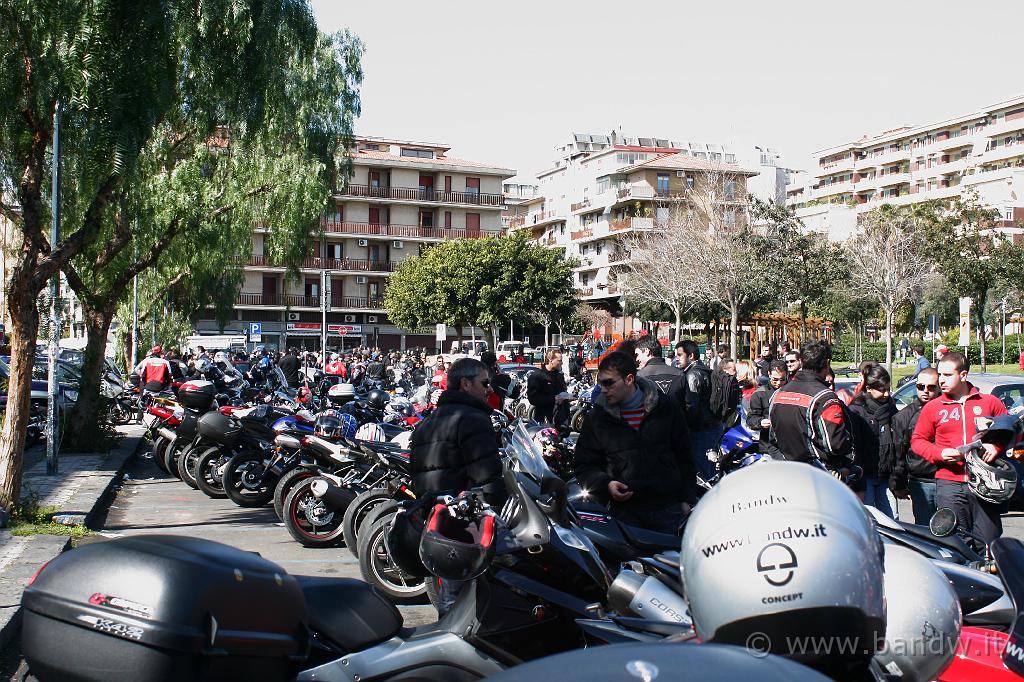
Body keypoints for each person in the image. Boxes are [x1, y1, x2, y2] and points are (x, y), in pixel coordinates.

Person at [410, 357, 506, 615]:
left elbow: (417, 477)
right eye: (485, 383)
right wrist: (500, 511)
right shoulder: (473, 418)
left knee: (451, 598)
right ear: (465, 384)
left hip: (438, 524)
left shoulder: (427, 422)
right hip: (468, 524)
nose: (490, 389)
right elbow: (487, 476)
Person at [572, 352, 696, 534]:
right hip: (623, 513)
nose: (603, 389)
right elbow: (584, 465)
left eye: (609, 383)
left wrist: (686, 498)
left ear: (629, 379)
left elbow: (684, 454)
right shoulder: (597, 417)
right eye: (601, 383)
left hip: (666, 509)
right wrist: (606, 484)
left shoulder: (666, 407)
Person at [911, 351, 1008, 547]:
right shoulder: (934, 407)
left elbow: (1013, 430)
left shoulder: (989, 403)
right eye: (940, 375)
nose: (941, 381)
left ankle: (986, 577)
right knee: (954, 543)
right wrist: (939, 454)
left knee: (988, 543)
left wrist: (996, 446)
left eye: (947, 375)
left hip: (984, 483)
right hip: (949, 484)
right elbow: (918, 440)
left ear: (963, 375)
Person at [767, 340, 854, 472]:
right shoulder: (825, 398)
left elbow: (773, 438)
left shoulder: (778, 394)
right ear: (827, 363)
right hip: (818, 475)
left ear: (801, 361)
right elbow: (834, 445)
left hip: (785, 469)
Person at [847, 363, 898, 518]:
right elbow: (855, 447)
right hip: (866, 476)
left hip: (886, 475)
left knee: (892, 519)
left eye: (888, 389)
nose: (886, 394)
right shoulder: (857, 410)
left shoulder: (891, 408)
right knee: (869, 517)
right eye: (882, 390)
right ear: (868, 388)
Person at [891, 368, 941, 524]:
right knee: (925, 530)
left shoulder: (949, 410)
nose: (925, 391)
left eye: (931, 387)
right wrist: (898, 483)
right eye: (920, 387)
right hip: (921, 481)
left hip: (948, 481)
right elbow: (898, 453)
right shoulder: (904, 416)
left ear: (939, 386)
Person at [674, 340, 718, 481]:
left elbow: (691, 405)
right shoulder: (705, 370)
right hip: (710, 425)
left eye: (680, 355)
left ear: (691, 355)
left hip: (699, 428)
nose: (677, 358)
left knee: (701, 470)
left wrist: (684, 425)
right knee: (708, 466)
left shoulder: (692, 374)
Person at [746, 360, 786, 454]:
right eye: (775, 379)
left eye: (782, 379)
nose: (779, 383)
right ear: (769, 374)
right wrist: (760, 422)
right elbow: (751, 419)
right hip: (768, 446)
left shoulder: (792, 392)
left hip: (789, 445)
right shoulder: (760, 394)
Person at [634, 335, 685, 405]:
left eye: (637, 354)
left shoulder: (639, 376)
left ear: (647, 351)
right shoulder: (679, 374)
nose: (637, 359)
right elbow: (689, 405)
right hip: (677, 415)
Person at [527, 349, 569, 426]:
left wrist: (567, 417)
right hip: (544, 420)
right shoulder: (537, 376)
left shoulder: (560, 376)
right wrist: (554, 399)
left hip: (560, 420)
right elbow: (533, 399)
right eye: (559, 361)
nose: (561, 363)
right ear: (551, 360)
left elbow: (564, 397)